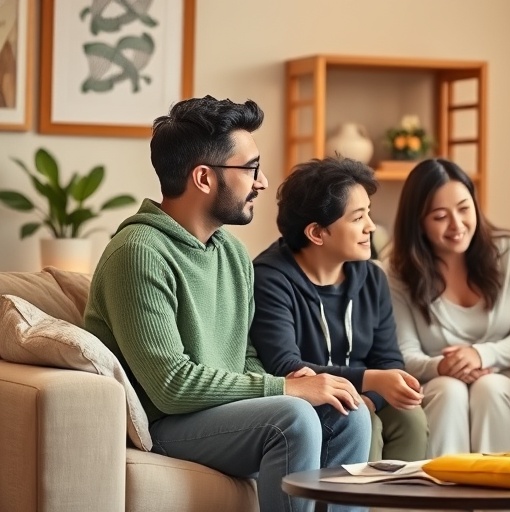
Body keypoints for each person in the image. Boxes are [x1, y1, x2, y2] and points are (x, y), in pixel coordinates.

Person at [82, 96, 371, 512]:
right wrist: (285, 389)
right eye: (250, 168)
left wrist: (295, 381)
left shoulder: (231, 253)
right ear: (203, 178)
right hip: (164, 423)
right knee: (294, 417)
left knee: (347, 410)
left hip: (222, 412)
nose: (263, 181)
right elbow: (171, 387)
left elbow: (243, 356)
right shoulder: (138, 252)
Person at [250, 157, 429, 462]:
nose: (371, 227)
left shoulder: (371, 277)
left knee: (411, 418)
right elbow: (286, 367)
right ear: (317, 233)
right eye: (358, 218)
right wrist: (371, 381)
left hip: (361, 400)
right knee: (362, 421)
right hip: (303, 406)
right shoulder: (270, 278)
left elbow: (388, 358)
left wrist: (371, 396)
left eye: (368, 214)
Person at [387, 158, 510, 457]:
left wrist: (480, 355)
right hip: (436, 383)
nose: (457, 225)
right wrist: (441, 366)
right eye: (440, 216)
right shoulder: (396, 272)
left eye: (464, 208)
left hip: (506, 381)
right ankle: (442, 496)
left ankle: (496, 499)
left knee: (489, 389)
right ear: (418, 222)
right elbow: (403, 353)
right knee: (449, 389)